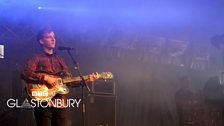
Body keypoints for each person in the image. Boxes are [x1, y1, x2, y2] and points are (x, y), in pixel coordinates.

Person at [21, 27, 96, 126]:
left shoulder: (59, 59)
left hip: (60, 102)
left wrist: (85, 80)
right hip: (43, 100)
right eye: (49, 37)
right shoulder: (36, 57)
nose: (53, 39)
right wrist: (46, 78)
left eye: (54, 37)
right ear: (41, 41)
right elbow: (25, 73)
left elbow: (69, 81)